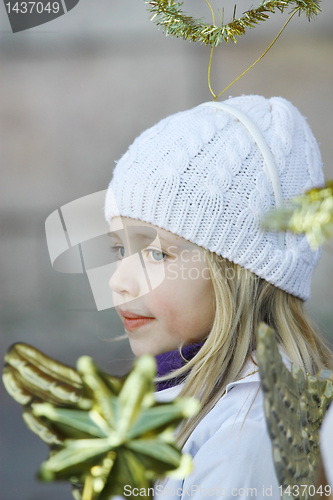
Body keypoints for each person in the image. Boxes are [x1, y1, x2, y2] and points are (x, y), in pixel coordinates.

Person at [104, 95, 333, 499]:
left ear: (240, 272)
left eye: (156, 253)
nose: (118, 281)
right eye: (119, 250)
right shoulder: (171, 384)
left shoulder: (248, 433)